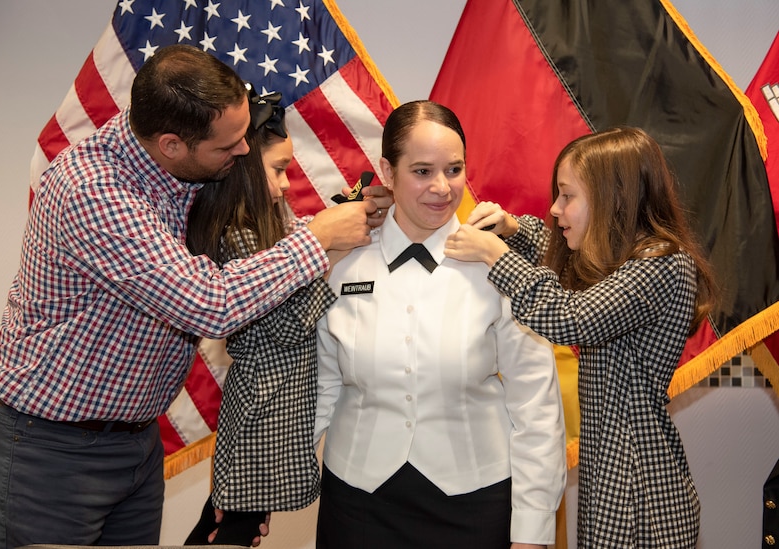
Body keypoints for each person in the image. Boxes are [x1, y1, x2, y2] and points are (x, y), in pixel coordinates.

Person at [0, 44, 385, 549]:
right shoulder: (94, 191)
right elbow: (210, 301)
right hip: (45, 449)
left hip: (135, 444)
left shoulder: (188, 167)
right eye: (228, 148)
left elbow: (256, 244)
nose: (244, 152)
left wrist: (352, 217)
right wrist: (319, 240)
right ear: (171, 144)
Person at [444, 126, 716, 548]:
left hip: (638, 491)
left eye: (568, 196)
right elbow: (562, 265)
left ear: (614, 199)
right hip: (615, 478)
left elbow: (569, 317)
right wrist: (512, 229)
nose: (555, 209)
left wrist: (494, 254)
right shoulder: (627, 261)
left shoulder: (661, 264)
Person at [313, 100, 567, 549]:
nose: (442, 187)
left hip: (475, 502)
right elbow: (321, 387)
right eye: (422, 171)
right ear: (387, 173)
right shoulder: (344, 258)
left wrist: (532, 528)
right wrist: (256, 491)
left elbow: (536, 406)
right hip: (358, 501)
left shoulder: (499, 264)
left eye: (454, 169)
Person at [183, 86, 390, 546]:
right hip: (263, 409)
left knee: (243, 524)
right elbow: (288, 324)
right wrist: (329, 253)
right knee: (229, 527)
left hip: (281, 406)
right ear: (240, 169)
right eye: (277, 170)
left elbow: (309, 237)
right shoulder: (238, 235)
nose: (284, 185)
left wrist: (347, 217)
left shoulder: (268, 227)